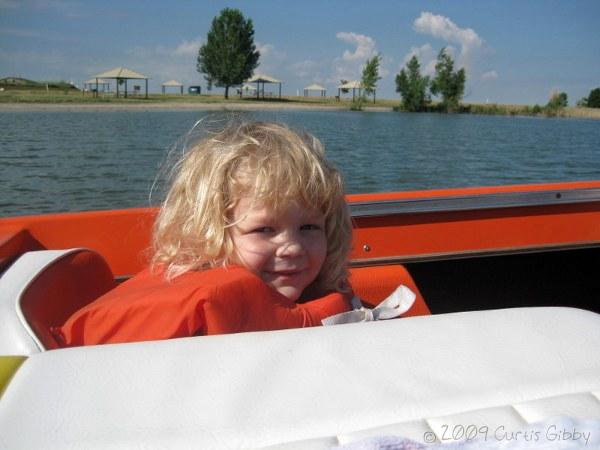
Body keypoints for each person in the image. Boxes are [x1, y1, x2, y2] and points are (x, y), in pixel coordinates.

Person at [55, 121, 355, 345]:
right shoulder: (195, 322)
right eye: (264, 229)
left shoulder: (300, 289)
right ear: (210, 235)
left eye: (309, 227)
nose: (292, 247)